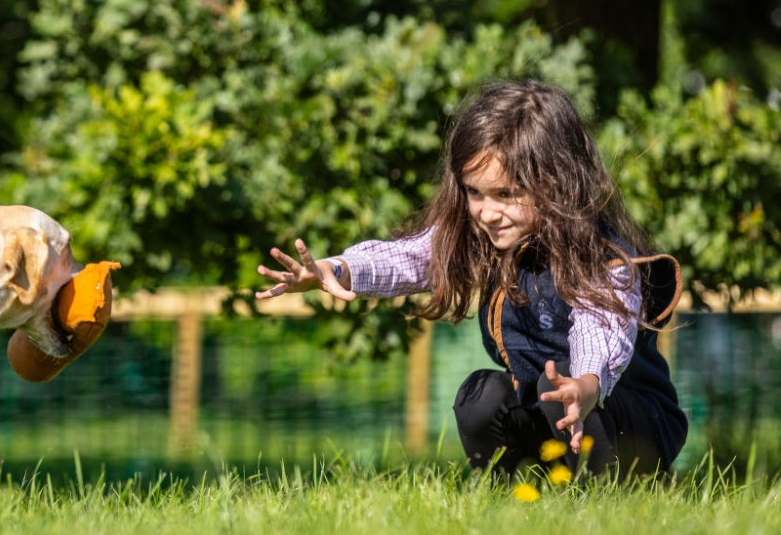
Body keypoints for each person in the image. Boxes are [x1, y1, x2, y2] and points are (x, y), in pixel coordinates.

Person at [256, 80, 687, 476]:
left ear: (556, 185)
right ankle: (519, 498)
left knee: (558, 386)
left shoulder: (604, 259)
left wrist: (587, 384)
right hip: (550, 412)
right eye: (474, 192)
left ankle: (605, 502)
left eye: (506, 194)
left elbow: (599, 329)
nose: (486, 211)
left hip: (629, 422)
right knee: (480, 395)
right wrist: (338, 269)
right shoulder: (483, 235)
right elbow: (410, 257)